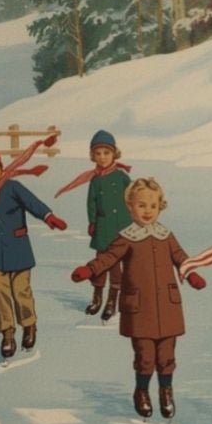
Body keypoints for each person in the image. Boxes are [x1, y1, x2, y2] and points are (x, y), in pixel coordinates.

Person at [72, 176, 208, 419]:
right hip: (140, 308)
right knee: (145, 356)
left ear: (160, 207)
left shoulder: (166, 235)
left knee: (167, 356)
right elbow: (108, 258)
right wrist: (90, 269)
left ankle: (166, 390)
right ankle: (142, 391)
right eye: (141, 205)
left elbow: (181, 258)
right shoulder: (127, 236)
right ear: (130, 206)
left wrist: (191, 273)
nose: (147, 211)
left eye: (153, 206)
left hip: (167, 306)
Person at [0, 141, 69, 360]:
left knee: (20, 291)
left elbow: (32, 203)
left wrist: (49, 217)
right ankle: (7, 333)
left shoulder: (12, 187)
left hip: (18, 249)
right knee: (0, 294)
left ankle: (29, 325)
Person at [79, 130, 131, 320]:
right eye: (98, 153)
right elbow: (91, 202)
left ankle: (112, 301)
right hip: (102, 228)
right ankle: (97, 297)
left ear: (114, 154)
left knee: (116, 266)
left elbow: (133, 195)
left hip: (121, 228)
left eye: (106, 153)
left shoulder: (121, 176)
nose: (102, 158)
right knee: (100, 264)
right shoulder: (95, 180)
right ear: (93, 155)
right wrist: (92, 221)